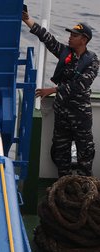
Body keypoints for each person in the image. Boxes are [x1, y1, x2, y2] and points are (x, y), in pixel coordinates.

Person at [22, 13, 99, 177]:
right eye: (70, 34)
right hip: (62, 113)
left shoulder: (92, 61)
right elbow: (47, 38)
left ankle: (84, 190)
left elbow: (81, 85)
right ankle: (63, 187)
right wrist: (27, 20)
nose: (70, 37)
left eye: (74, 35)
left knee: (85, 153)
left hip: (80, 115)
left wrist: (54, 90)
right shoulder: (66, 54)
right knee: (60, 152)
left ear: (84, 40)